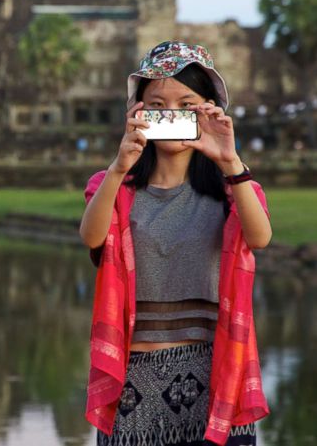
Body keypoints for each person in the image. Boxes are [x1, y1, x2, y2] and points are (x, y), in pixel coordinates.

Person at [79, 40, 273, 446]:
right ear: (138, 113)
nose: (173, 116)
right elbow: (92, 237)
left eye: (187, 105)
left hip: (215, 374)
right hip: (135, 380)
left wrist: (230, 160)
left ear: (210, 109)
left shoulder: (233, 188)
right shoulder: (113, 185)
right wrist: (120, 165)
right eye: (159, 105)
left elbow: (260, 238)